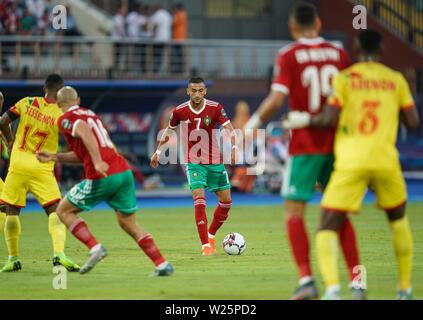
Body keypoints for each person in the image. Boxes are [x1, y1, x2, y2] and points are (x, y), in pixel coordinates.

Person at [284, 29, 420, 300]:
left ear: (356, 50)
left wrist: (302, 120)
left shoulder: (345, 79)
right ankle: (404, 289)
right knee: (398, 220)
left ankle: (333, 290)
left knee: (327, 224)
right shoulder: (396, 80)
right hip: (385, 161)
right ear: (382, 50)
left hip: (352, 161)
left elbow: (328, 119)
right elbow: (413, 123)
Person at [244, 2, 361, 300]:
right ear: (319, 24)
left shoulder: (289, 55)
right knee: (338, 213)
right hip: (337, 143)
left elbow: (274, 101)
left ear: (292, 26)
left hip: (306, 145)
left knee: (293, 211)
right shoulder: (339, 53)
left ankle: (307, 279)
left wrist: (250, 128)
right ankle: (357, 283)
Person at [36, 86, 174, 276]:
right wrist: (55, 156)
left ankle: (95, 247)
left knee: (62, 210)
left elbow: (85, 133)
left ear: (58, 104)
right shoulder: (90, 114)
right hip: (123, 172)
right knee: (128, 223)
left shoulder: (65, 118)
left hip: (103, 174)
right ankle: (162, 264)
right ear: (78, 100)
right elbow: (82, 153)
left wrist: (98, 161)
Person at [0, 74, 80, 273]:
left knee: (11, 210)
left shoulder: (26, 102)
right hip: (42, 166)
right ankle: (59, 254)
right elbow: (72, 137)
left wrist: (10, 141)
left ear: (44, 87)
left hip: (18, 164)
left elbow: (2, 121)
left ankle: (12, 259)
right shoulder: (62, 114)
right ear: (61, 92)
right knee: (55, 211)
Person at [150, 77, 237, 256]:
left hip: (215, 161)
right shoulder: (179, 111)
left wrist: (234, 148)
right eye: (193, 90)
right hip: (194, 162)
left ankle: (211, 235)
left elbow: (230, 129)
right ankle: (205, 246)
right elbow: (169, 130)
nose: (197, 94)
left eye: (200, 90)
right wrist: (158, 152)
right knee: (199, 199)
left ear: (205, 91)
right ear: (187, 91)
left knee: (226, 203)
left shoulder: (215, 107)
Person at [150, 4, 172, 73]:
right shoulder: (167, 14)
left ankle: (156, 70)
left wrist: (152, 36)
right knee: (165, 56)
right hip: (167, 38)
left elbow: (156, 26)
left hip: (158, 39)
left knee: (157, 56)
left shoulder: (158, 14)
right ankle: (166, 71)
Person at [170, 2, 187, 74]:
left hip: (177, 38)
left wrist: (173, 14)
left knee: (177, 55)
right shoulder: (184, 14)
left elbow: (172, 23)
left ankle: (178, 70)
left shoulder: (178, 14)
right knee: (180, 55)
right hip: (181, 37)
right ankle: (180, 69)